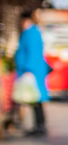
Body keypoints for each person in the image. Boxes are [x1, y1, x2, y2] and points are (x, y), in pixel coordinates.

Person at [14, 8, 51, 136]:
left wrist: (28, 70)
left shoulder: (29, 33)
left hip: (31, 71)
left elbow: (31, 53)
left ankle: (39, 125)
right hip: (35, 70)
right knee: (36, 99)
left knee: (33, 98)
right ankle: (39, 125)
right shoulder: (35, 31)